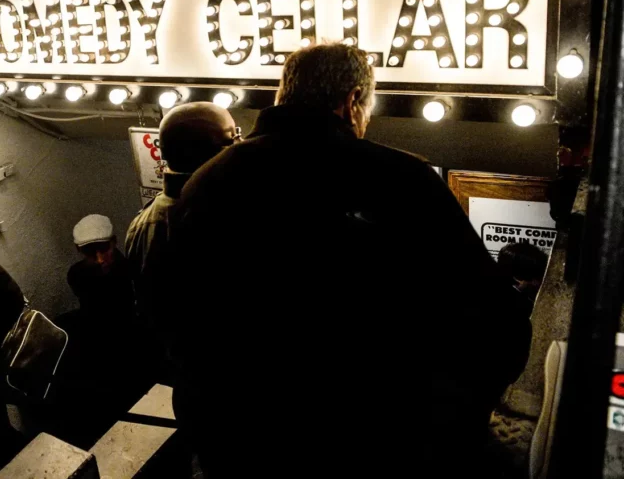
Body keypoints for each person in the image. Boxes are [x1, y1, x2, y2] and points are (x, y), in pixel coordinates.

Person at [166, 43, 530, 478]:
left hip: (236, 441)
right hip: (363, 445)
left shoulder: (206, 182)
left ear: (285, 94)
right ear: (352, 101)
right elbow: (492, 324)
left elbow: (177, 317)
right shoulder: (398, 180)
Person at [124, 102, 236, 325]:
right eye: (233, 139)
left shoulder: (142, 223)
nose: (239, 146)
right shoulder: (218, 216)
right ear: (213, 153)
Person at [68, 214, 134, 322]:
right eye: (90, 252)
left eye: (103, 249)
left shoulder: (130, 268)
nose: (99, 259)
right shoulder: (76, 274)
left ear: (114, 242)